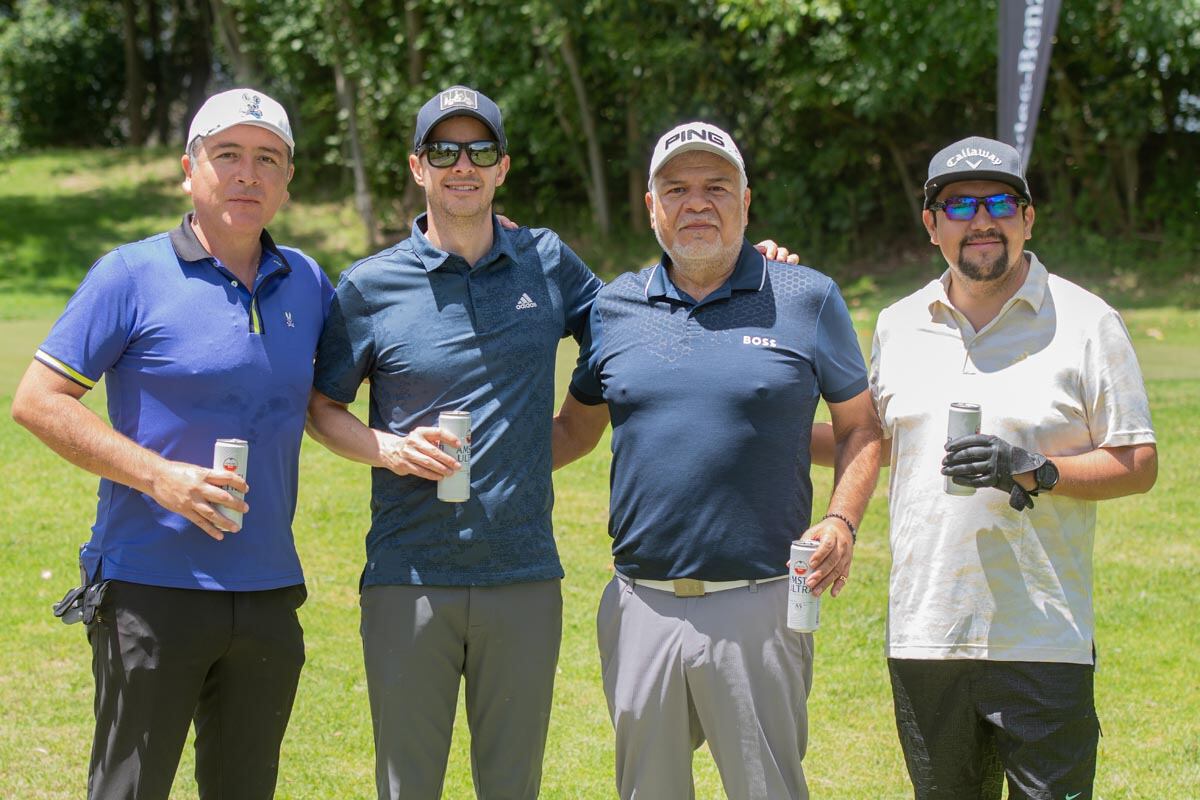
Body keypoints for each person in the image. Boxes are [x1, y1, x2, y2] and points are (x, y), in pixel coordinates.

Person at [11, 88, 332, 799]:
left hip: (268, 591)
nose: (247, 173)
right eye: (227, 155)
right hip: (149, 590)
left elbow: (343, 388)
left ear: (286, 180)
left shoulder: (308, 282)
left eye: (267, 159)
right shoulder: (130, 274)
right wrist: (160, 477)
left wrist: (479, 236)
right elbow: (37, 401)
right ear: (190, 170)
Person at [553, 121, 882, 800]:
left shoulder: (805, 297)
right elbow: (573, 432)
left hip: (761, 605)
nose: (696, 202)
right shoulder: (613, 307)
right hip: (641, 605)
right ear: (651, 206)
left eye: (717, 187)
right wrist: (477, 457)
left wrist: (842, 520)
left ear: (746, 202)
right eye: (676, 189)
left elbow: (861, 427)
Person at [857, 135, 1157, 798]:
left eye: (998, 203)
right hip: (927, 634)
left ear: (1028, 218)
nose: (981, 221)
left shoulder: (1088, 321)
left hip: (1042, 638)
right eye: (959, 206)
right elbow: (875, 443)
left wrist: (1035, 469)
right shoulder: (897, 325)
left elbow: (1137, 462)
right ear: (931, 224)